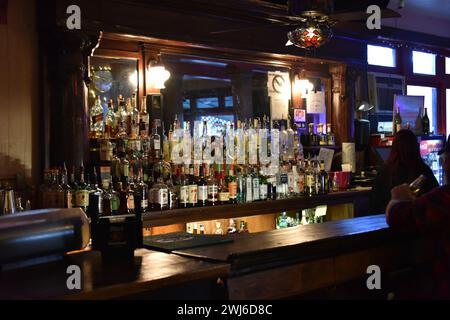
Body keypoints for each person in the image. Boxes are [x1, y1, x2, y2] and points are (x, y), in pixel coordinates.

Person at [386, 134, 450, 299]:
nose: (443, 164)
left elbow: (397, 216)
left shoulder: (444, 198)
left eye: (444, 158)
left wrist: (397, 198)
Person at [371, 129, 439, 214]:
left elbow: (375, 204)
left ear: (394, 147)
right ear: (415, 146)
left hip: (388, 221)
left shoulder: (385, 171)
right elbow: (436, 199)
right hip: (418, 223)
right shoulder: (424, 170)